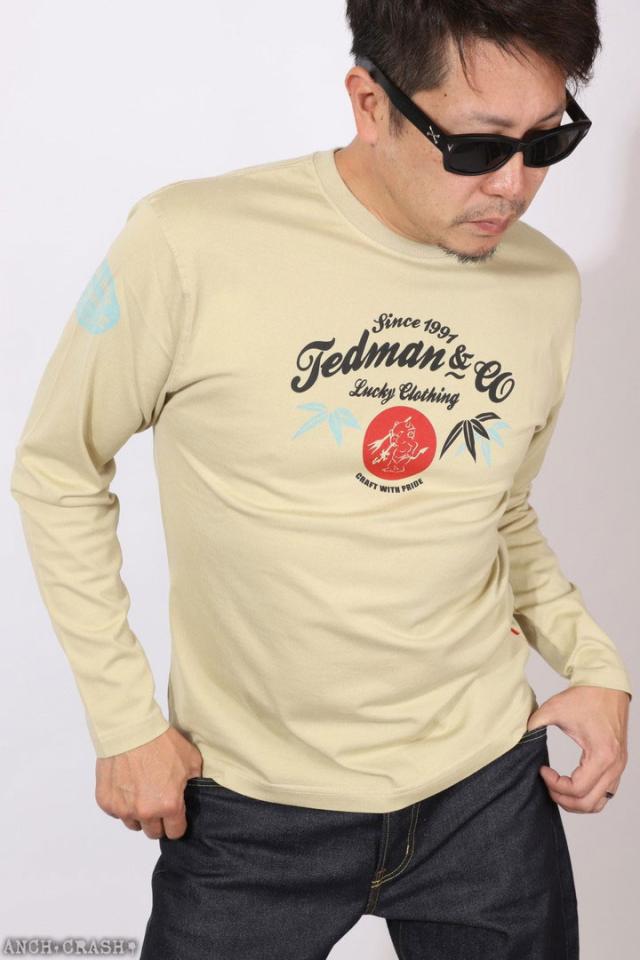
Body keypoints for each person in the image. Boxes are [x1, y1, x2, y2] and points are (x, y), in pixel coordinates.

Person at [10, 1, 632, 958]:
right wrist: (124, 721)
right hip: (250, 804)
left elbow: (498, 507)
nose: (514, 185)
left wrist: (595, 666)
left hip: (485, 797)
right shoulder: (189, 241)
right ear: (369, 102)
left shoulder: (544, 285)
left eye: (548, 140)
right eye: (477, 147)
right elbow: (58, 468)